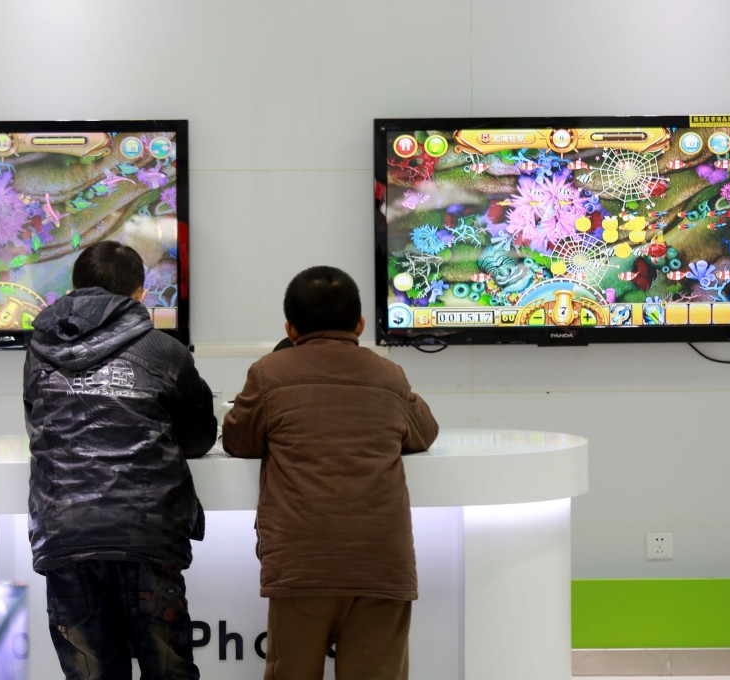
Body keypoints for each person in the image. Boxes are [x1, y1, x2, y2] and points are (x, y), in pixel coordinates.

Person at [222, 265, 439, 680]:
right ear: (359, 324)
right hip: (381, 563)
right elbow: (424, 433)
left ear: (289, 325)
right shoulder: (388, 374)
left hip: (303, 563)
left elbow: (238, 441)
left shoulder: (269, 372)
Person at [23, 241, 216, 680]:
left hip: (64, 534)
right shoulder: (166, 351)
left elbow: (38, 427)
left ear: (74, 290)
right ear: (140, 295)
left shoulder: (37, 352)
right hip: (148, 535)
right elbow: (200, 438)